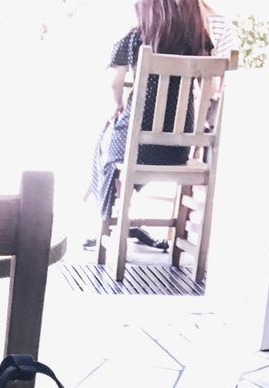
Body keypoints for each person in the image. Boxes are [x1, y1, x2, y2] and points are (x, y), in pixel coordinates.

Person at [89, 0, 214, 244]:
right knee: (123, 149)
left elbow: (115, 85)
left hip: (137, 148)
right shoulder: (198, 38)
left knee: (105, 147)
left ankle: (110, 219)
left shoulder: (137, 36)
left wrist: (118, 106)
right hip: (178, 150)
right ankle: (126, 218)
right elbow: (208, 93)